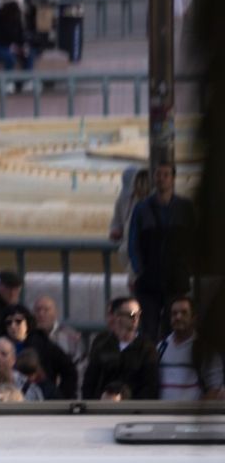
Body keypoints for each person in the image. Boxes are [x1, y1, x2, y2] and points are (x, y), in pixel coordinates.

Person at [129, 161, 197, 343]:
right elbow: (133, 242)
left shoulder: (185, 208)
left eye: (166, 175)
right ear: (153, 178)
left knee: (174, 329)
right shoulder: (141, 209)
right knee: (148, 330)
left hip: (176, 280)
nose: (162, 179)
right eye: (158, 175)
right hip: (149, 280)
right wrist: (140, 270)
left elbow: (194, 241)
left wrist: (187, 269)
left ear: (173, 179)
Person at [83, 296, 160, 400]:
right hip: (102, 408)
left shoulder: (146, 348)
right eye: (131, 314)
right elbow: (90, 381)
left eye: (138, 314)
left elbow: (150, 385)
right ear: (117, 317)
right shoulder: (102, 345)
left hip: (133, 411)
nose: (135, 318)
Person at [156, 296, 224, 401]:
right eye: (174, 313)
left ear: (193, 318)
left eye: (184, 313)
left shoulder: (205, 350)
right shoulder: (161, 347)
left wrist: (196, 414)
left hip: (191, 415)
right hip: (162, 414)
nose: (178, 317)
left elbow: (215, 388)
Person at [32, 294, 85, 378]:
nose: (41, 314)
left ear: (55, 313)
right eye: (38, 310)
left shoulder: (71, 338)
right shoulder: (28, 337)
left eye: (46, 310)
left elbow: (79, 367)